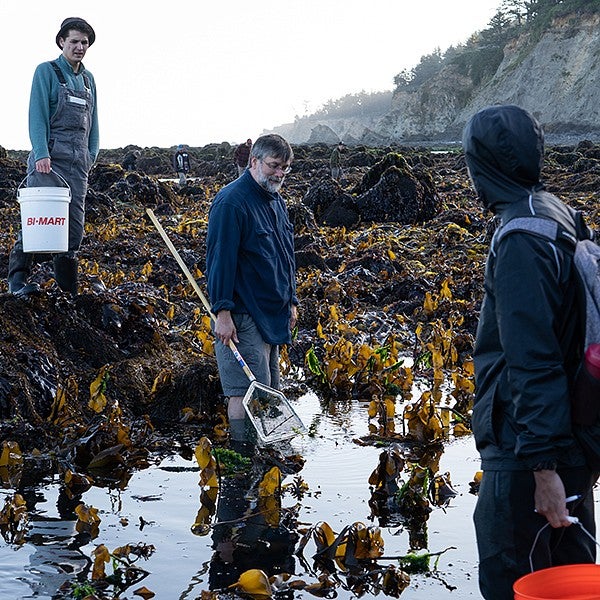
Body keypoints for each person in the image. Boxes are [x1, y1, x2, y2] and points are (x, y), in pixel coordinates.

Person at [464, 104, 598, 600]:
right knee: (569, 580)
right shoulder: (556, 212)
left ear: (483, 166)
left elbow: (533, 359)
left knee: (512, 579)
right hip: (572, 438)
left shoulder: (521, 237)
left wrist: (544, 470)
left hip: (526, 453)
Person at [206, 134, 298, 442]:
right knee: (243, 390)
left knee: (269, 385)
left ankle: (266, 448)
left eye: (285, 167)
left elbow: (286, 254)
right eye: (274, 165)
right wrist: (222, 311)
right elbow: (220, 260)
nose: (280, 174)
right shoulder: (231, 202)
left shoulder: (276, 201)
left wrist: (292, 301)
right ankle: (241, 454)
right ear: (254, 161)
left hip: (272, 312)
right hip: (241, 314)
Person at [8, 17, 99, 296]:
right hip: (48, 162)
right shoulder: (46, 72)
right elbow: (37, 115)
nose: (79, 47)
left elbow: (93, 123)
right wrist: (41, 153)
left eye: (84, 42)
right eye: (74, 41)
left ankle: (67, 289)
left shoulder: (87, 80)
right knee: (39, 221)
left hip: (77, 165)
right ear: (62, 42)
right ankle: (17, 281)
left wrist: (91, 155)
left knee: (73, 227)